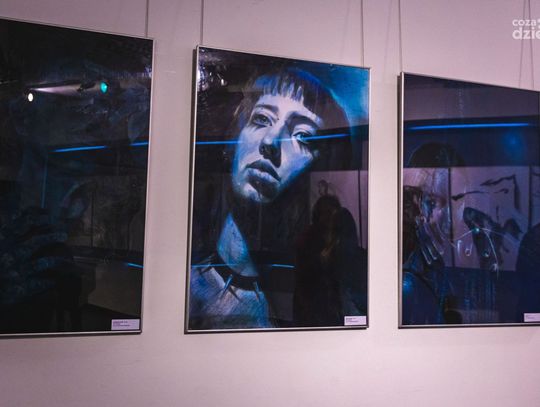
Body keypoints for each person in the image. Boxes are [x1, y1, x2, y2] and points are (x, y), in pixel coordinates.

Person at [188, 67, 355, 330]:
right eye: (262, 119)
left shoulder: (319, 300)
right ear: (235, 138)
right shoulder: (185, 286)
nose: (271, 141)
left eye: (302, 136)